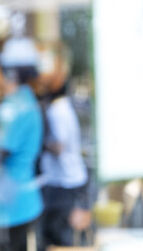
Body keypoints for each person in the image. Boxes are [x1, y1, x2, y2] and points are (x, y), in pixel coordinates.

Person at [0, 35, 44, 251]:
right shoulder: (26, 101)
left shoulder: (14, 108)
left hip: (12, 206)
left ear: (9, 73)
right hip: (22, 200)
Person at [38, 42, 91, 249]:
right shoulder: (62, 107)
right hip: (68, 182)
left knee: (61, 240)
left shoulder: (57, 111)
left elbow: (59, 147)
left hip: (64, 183)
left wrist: (41, 145)